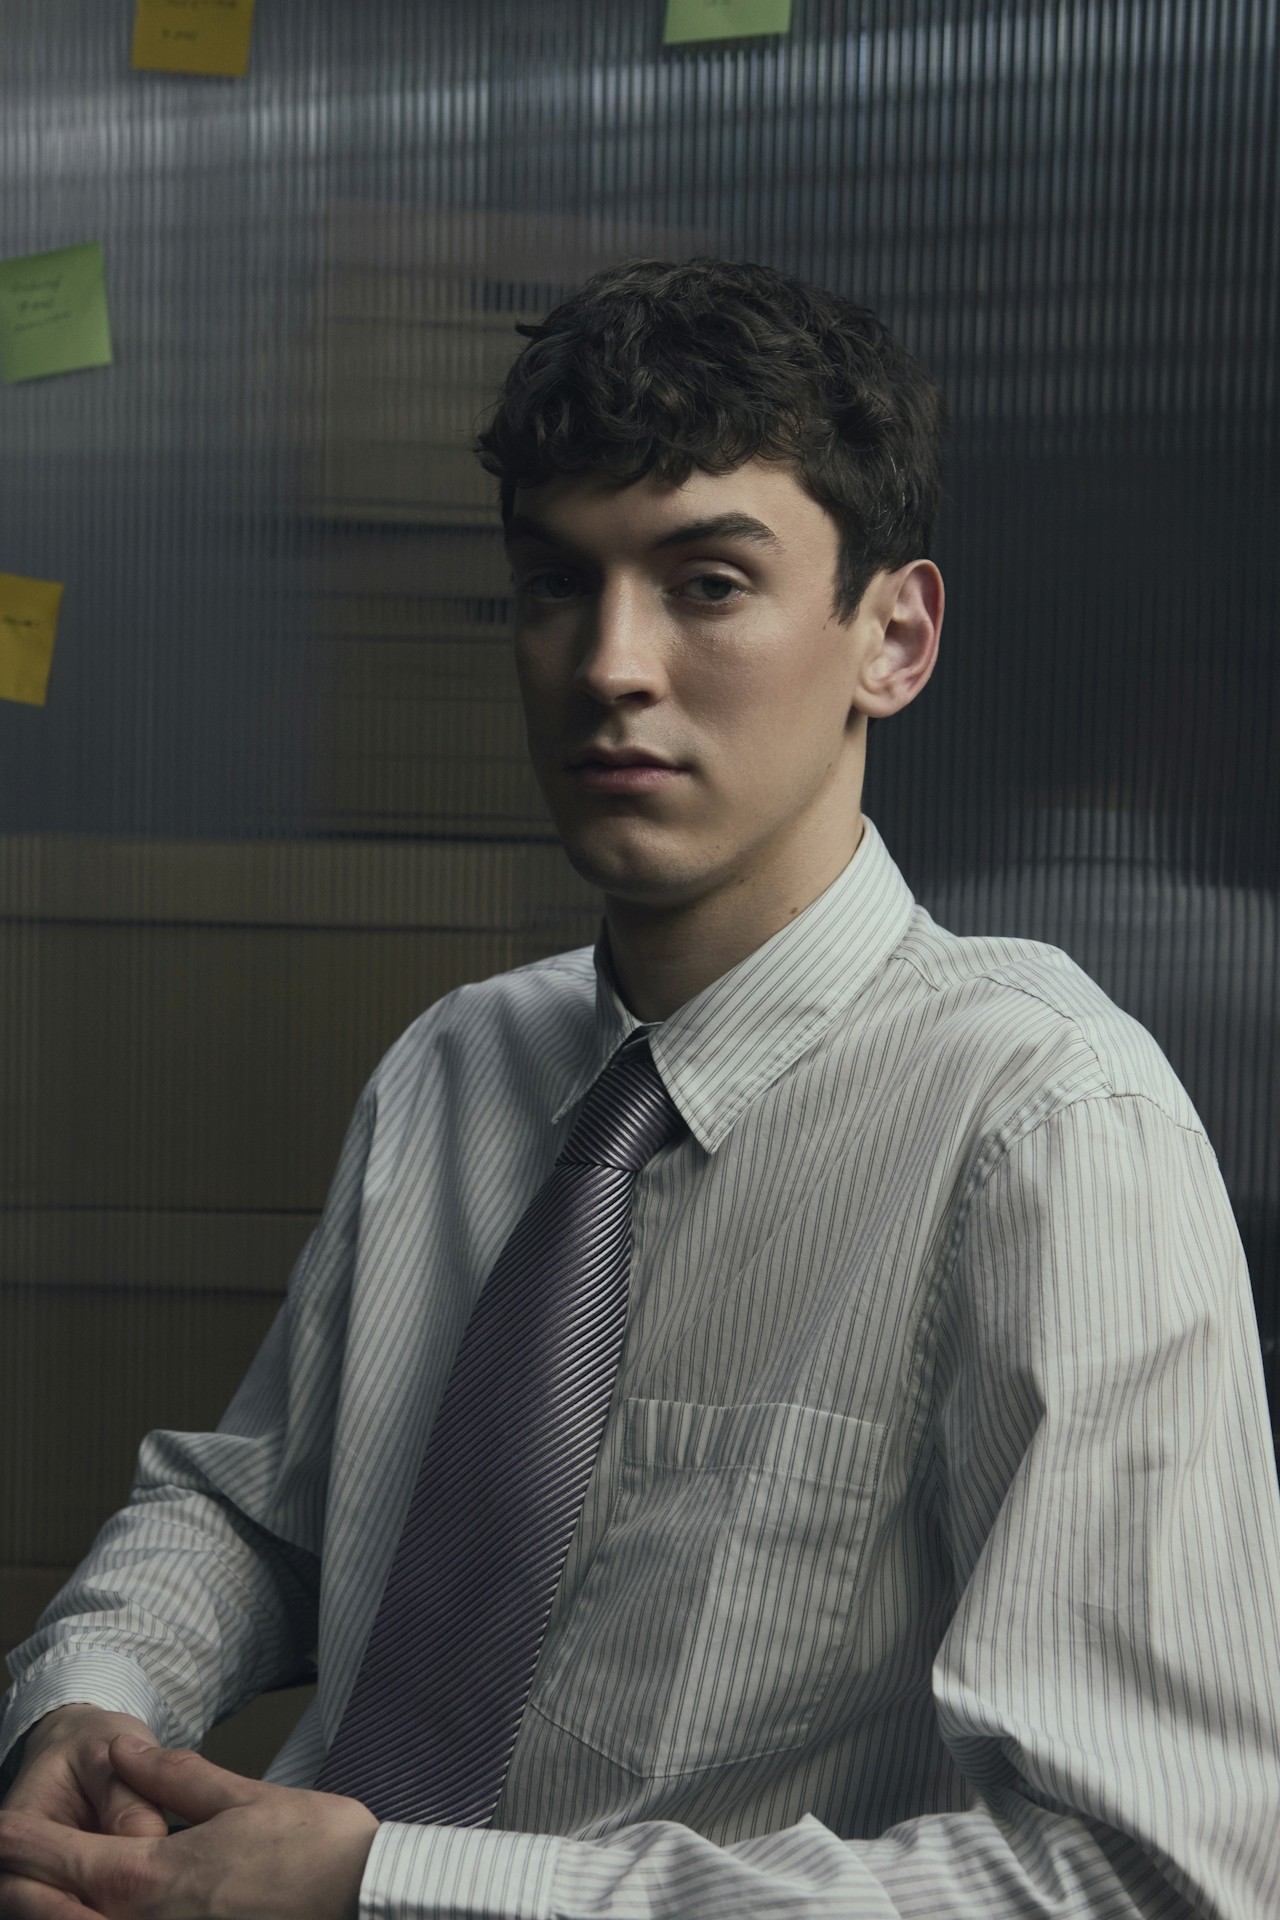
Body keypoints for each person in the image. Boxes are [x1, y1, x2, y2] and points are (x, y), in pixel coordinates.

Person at [2, 256, 1278, 1920]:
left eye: (707, 583)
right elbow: (251, 1512)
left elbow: (1151, 1874)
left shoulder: (1044, 1127)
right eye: (556, 585)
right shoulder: (456, 1067)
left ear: (892, 637)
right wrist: (91, 1703)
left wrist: (392, 1888)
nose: (609, 664)